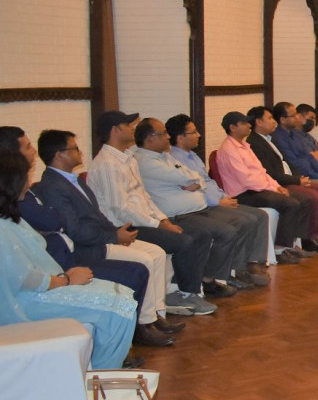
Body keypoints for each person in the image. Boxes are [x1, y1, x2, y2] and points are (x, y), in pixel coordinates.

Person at [34, 129, 185, 343]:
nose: (80, 152)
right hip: (88, 247)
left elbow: (97, 215)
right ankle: (143, 326)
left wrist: (115, 232)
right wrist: (114, 237)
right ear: (59, 155)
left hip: (102, 236)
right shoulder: (53, 186)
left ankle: (155, 315)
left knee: (157, 253)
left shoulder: (74, 180)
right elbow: (75, 230)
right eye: (74, 148)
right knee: (145, 260)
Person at [0, 150, 137, 370]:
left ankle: (101, 370)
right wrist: (66, 280)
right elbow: (23, 278)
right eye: (26, 176)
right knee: (120, 308)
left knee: (124, 296)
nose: (28, 182)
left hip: (42, 286)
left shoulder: (8, 216)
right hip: (25, 299)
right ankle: (104, 373)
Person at [85, 111, 228, 305]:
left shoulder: (127, 158)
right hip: (123, 227)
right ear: (115, 130)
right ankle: (182, 294)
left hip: (142, 220)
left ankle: (189, 291)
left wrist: (163, 220)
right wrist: (157, 224)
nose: (132, 129)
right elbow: (120, 209)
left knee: (200, 234)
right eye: (128, 125)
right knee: (184, 242)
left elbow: (144, 196)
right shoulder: (107, 164)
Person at [133, 118, 270, 289]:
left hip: (199, 207)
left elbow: (196, 176)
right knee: (227, 231)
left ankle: (234, 270)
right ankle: (210, 279)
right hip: (179, 215)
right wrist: (194, 181)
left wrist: (195, 182)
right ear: (149, 138)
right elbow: (185, 177)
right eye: (163, 134)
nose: (168, 137)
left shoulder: (165, 156)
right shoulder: (145, 161)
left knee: (248, 220)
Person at [213, 111, 313, 264]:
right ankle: (280, 249)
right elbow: (246, 179)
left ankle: (291, 243)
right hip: (243, 193)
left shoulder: (245, 146)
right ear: (232, 127)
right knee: (290, 203)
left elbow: (262, 172)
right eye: (244, 123)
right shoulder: (229, 149)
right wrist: (272, 189)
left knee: (302, 199)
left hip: (258, 189)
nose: (249, 125)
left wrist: (276, 186)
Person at [249, 105, 318, 251]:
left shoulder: (269, 138)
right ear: (258, 122)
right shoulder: (255, 143)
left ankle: (315, 234)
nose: (274, 121)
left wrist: (300, 177)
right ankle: (300, 240)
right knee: (311, 196)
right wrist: (297, 180)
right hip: (277, 183)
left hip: (290, 177)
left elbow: (292, 161)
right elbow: (270, 173)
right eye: (270, 118)